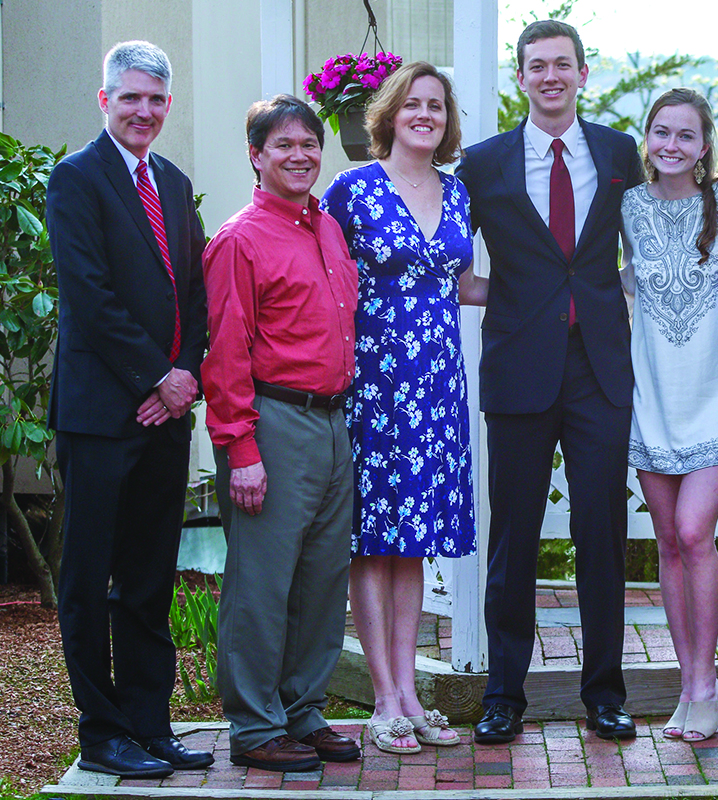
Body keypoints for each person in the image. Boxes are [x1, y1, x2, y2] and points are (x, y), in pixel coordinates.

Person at [456, 19, 645, 743]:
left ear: (583, 73)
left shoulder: (620, 153)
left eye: (562, 65)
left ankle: (605, 693)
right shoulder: (484, 163)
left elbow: (651, 241)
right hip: (518, 370)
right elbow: (450, 249)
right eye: (537, 66)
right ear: (521, 77)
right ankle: (505, 693)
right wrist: (493, 297)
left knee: (603, 533)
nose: (550, 77)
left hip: (600, 367)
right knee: (514, 536)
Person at [45, 40, 212, 778]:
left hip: (167, 413)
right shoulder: (75, 179)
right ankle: (102, 732)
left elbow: (195, 296)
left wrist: (185, 375)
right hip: (102, 414)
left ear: (167, 106)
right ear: (105, 100)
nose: (143, 110)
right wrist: (155, 377)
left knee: (149, 577)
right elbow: (90, 295)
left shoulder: (173, 183)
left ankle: (150, 723)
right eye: (130, 97)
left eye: (155, 99)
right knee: (89, 578)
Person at [322, 61, 486, 754]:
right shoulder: (351, 190)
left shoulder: (457, 194)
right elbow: (319, 274)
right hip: (373, 384)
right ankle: (383, 700)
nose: (426, 114)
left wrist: (558, 297)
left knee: (412, 541)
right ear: (390, 113)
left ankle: (412, 695)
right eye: (414, 104)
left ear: (448, 122)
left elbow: (464, 283)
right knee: (373, 540)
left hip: (438, 384)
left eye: (438, 107)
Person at [202, 95, 361, 772]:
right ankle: (256, 725)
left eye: (308, 144)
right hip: (272, 424)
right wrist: (241, 451)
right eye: (283, 145)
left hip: (332, 422)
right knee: (263, 585)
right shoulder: (240, 240)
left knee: (323, 581)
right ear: (256, 156)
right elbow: (225, 354)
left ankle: (304, 711)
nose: (299, 155)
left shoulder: (325, 228)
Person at [619, 88, 718, 742]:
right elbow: (612, 277)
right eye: (660, 133)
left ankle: (706, 682)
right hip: (651, 397)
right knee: (668, 541)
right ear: (647, 139)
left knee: (696, 532)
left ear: (704, 147)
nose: (670, 145)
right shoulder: (628, 206)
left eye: (684, 135)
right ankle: (690, 683)